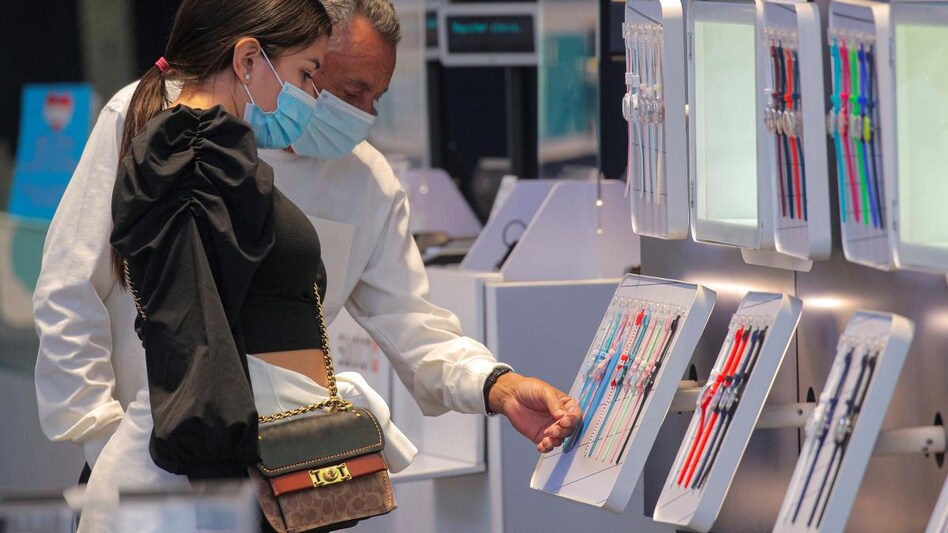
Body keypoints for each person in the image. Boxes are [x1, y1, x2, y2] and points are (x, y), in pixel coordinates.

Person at [34, 1, 580, 522]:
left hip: (290, 474)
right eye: (347, 87)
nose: (363, 114)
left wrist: (498, 386)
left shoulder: (367, 181)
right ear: (288, 52)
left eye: (378, 96)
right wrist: (104, 438)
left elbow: (414, 324)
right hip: (150, 467)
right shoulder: (152, 121)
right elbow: (68, 289)